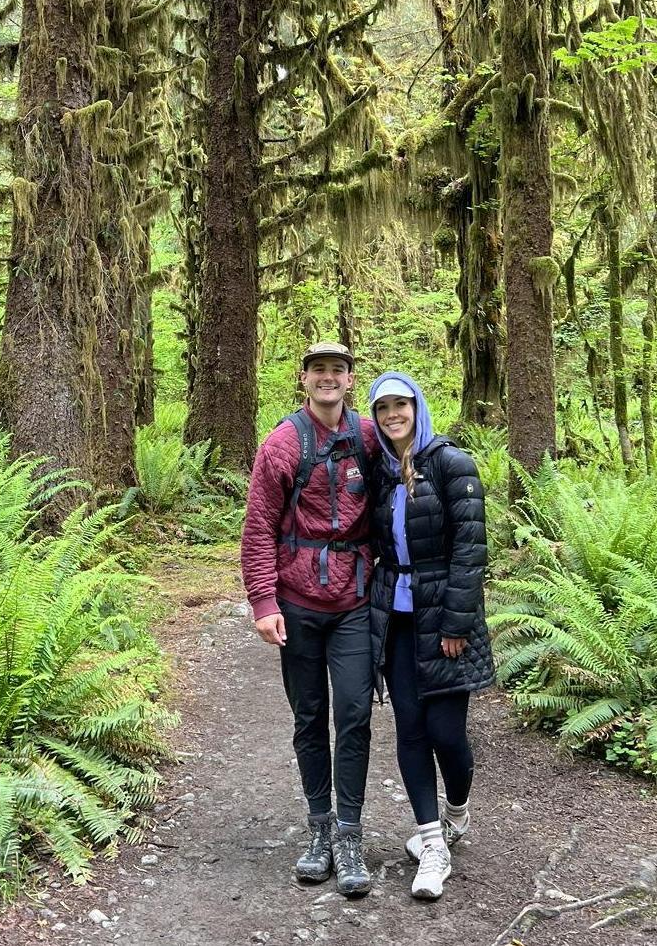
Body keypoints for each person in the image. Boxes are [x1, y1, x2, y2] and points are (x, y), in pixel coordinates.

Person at [240, 341, 380, 898]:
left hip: (355, 602)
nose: (328, 378)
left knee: (354, 714)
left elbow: (409, 476)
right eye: (319, 370)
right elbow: (258, 529)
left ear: (350, 380)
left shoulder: (369, 437)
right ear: (304, 379)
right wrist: (263, 601)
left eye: (338, 371)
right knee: (308, 718)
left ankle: (349, 834)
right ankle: (318, 829)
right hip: (298, 603)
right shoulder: (280, 445)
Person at [367, 370, 495, 901]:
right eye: (382, 408)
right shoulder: (378, 472)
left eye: (401, 404)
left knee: (446, 731)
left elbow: (470, 551)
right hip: (394, 620)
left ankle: (456, 809)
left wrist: (455, 624)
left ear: (417, 407)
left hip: (443, 618)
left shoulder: (452, 464)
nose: (393, 414)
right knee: (411, 730)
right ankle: (430, 840)